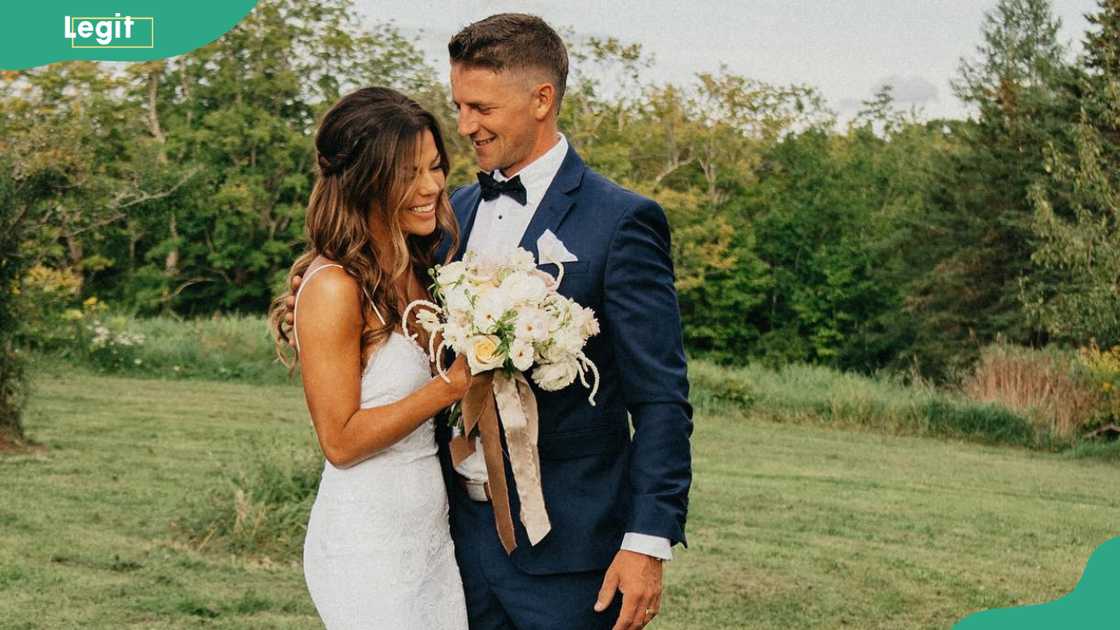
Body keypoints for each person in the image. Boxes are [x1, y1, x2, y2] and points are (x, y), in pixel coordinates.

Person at [286, 13, 692, 630]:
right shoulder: (453, 213)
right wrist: (312, 282)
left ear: (541, 99)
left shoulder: (620, 221)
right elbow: (372, 280)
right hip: (453, 542)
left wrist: (647, 541)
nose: (465, 125)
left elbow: (661, 398)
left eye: (481, 107)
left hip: (571, 552)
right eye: (458, 105)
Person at [268, 86, 471, 629]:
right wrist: (451, 386)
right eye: (409, 173)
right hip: (368, 541)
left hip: (428, 532)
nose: (431, 186)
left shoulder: (421, 268)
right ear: (365, 180)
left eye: (435, 166)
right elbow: (340, 442)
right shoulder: (335, 285)